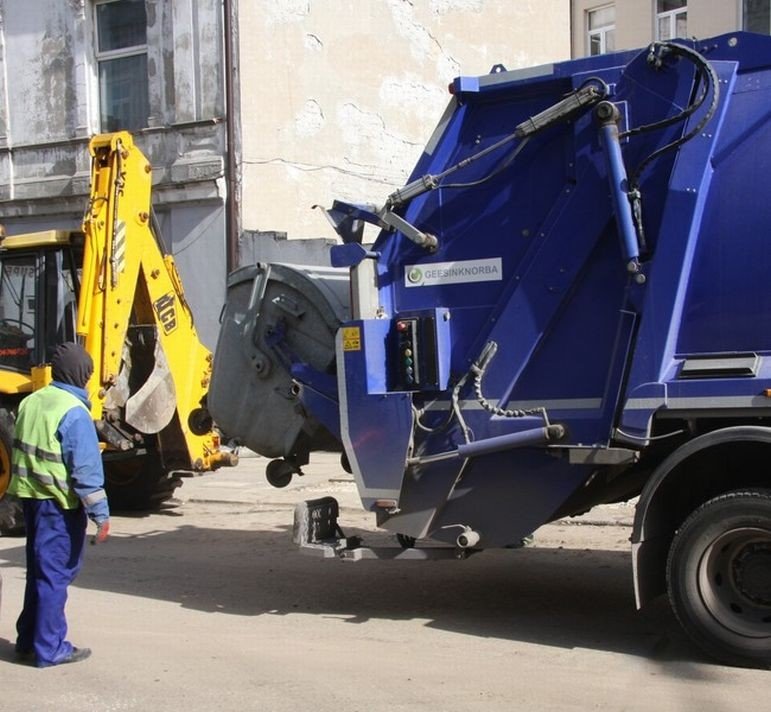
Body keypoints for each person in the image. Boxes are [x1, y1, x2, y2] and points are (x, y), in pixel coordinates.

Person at [7, 341, 110, 667]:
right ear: (82, 374)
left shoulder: (31, 402)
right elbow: (86, 472)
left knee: (38, 573)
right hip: (59, 505)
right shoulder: (74, 412)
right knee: (55, 576)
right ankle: (50, 649)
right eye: (89, 373)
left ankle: (27, 641)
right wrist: (101, 515)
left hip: (31, 501)